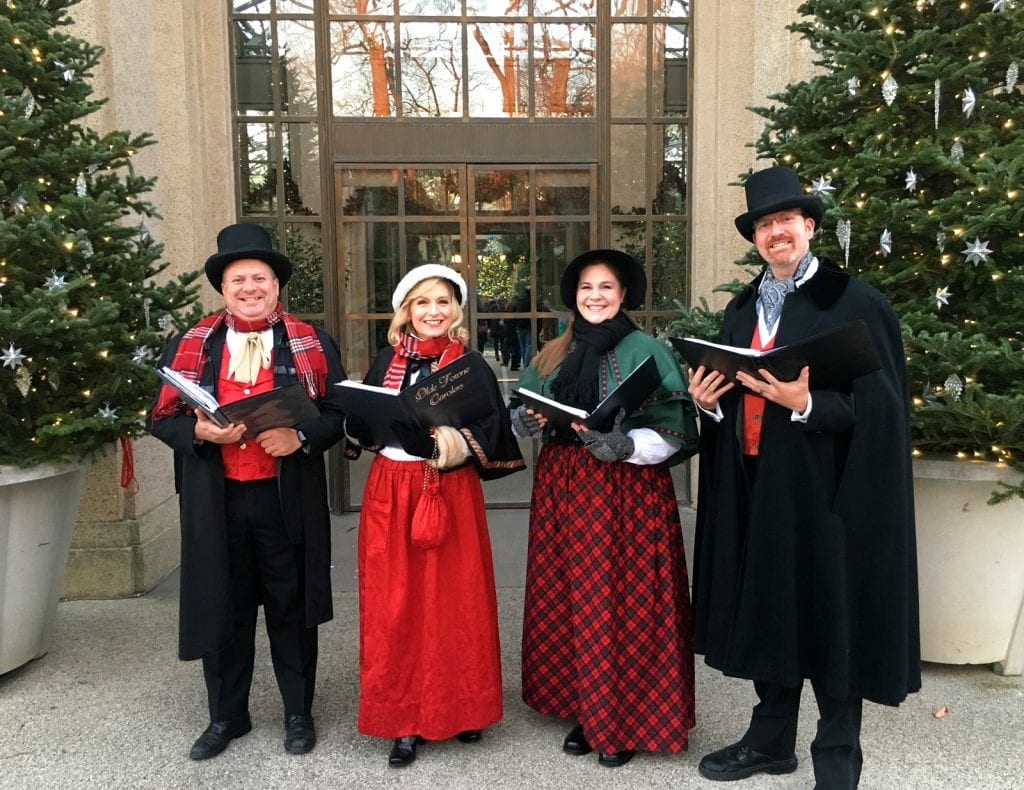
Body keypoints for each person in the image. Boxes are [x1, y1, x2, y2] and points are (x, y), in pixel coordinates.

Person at [687, 166, 920, 788]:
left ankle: (838, 761)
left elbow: (883, 408)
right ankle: (770, 743)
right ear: (755, 238)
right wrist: (709, 404)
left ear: (810, 227)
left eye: (786, 220)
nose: (776, 233)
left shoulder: (854, 301)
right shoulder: (741, 309)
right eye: (764, 225)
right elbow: (732, 387)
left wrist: (808, 403)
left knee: (831, 621)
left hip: (828, 494)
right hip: (756, 488)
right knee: (771, 612)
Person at [148, 223, 349, 760]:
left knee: (291, 606)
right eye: (238, 279)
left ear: (276, 285)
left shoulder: (311, 341)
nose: (249, 288)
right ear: (223, 287)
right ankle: (227, 716)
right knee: (225, 607)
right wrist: (199, 432)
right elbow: (161, 418)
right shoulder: (191, 342)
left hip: (286, 499)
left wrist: (299, 436)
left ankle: (298, 713)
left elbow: (339, 412)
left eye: (259, 278)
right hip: (218, 500)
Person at [510, 249, 699, 768]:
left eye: (606, 287)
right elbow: (527, 405)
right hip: (563, 486)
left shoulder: (648, 351)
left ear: (623, 295)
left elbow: (675, 427)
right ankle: (586, 709)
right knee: (572, 597)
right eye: (586, 288)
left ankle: (626, 719)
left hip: (627, 491)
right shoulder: (553, 351)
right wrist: (524, 422)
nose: (595, 297)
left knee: (626, 600)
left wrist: (627, 445)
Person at [345, 264, 525, 768]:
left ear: (456, 310)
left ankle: (464, 708)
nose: (433, 311)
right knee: (395, 604)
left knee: (457, 598)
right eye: (422, 302)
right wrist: (357, 417)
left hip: (449, 488)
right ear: (406, 311)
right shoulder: (385, 360)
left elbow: (493, 430)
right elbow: (366, 424)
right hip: (391, 489)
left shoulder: (471, 366)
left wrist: (447, 444)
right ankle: (404, 719)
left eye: (443, 301)